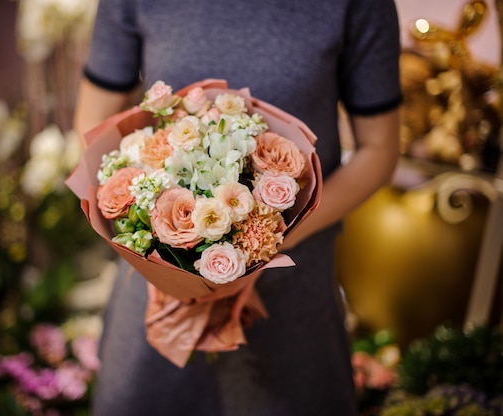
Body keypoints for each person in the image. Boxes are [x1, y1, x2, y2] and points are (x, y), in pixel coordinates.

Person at [73, 1, 402, 415]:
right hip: (159, 292)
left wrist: (257, 246)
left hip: (290, 296)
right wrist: (162, 243)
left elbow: (380, 151)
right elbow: (92, 126)